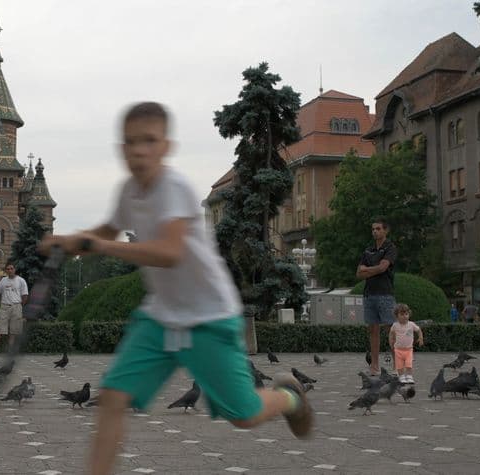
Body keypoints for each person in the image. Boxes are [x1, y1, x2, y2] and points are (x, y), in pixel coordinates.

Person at [40, 102, 313, 475]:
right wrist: (71, 240)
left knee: (244, 415)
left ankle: (289, 397)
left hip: (209, 318)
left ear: (166, 146)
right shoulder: (128, 192)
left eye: (149, 141)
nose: (139, 150)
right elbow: (107, 231)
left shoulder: (175, 188)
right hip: (160, 317)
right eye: (131, 142)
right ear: (122, 149)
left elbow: (168, 253)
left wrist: (100, 246)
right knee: (113, 399)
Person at [356, 219, 397, 376]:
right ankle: (374, 366)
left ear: (385, 231)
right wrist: (372, 269)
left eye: (378, 229)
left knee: (391, 330)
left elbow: (383, 267)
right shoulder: (368, 250)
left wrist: (368, 269)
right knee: (373, 330)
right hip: (369, 294)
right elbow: (358, 273)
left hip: (385, 294)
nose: (375, 231)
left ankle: (396, 364)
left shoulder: (390, 247)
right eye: (373, 229)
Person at [0, 262, 29, 356]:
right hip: (4, 307)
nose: (10, 270)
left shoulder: (21, 280)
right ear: (6, 271)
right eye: (8, 269)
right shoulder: (3, 281)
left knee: (14, 330)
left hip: (16, 306)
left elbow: (25, 295)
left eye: (11, 268)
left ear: (14, 270)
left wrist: (20, 306)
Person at [388, 303, 424, 383]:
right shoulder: (395, 325)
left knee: (409, 364)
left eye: (406, 314)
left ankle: (409, 376)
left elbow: (418, 330)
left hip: (409, 349)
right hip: (398, 349)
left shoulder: (411, 324)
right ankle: (401, 376)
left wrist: (421, 338)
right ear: (397, 316)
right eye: (402, 314)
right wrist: (390, 341)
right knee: (399, 365)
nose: (405, 316)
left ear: (409, 314)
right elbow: (391, 333)